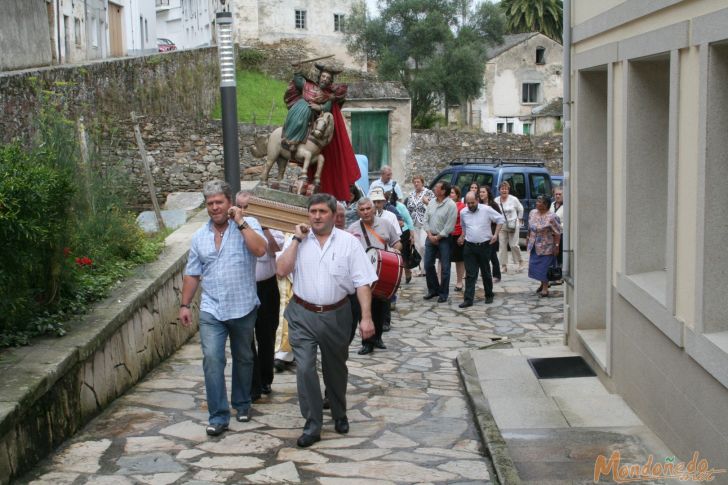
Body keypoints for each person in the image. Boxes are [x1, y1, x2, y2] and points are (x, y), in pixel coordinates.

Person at [276, 193, 377, 448]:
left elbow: (362, 282)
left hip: (337, 314)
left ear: (333, 215)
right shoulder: (296, 239)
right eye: (313, 212)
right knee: (305, 367)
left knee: (335, 368)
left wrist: (366, 318)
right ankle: (312, 424)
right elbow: (281, 270)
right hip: (302, 314)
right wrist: (297, 240)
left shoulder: (348, 243)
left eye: (322, 212)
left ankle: (339, 412)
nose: (317, 216)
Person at [179, 180, 267, 436]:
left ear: (229, 203)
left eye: (219, 202)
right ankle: (218, 415)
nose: (215, 207)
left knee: (244, 358)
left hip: (243, 306)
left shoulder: (249, 226)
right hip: (212, 309)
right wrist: (185, 304)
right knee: (213, 359)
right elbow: (192, 273)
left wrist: (240, 223)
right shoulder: (199, 237)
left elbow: (261, 250)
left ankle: (241, 403)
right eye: (210, 204)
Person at [281, 63, 360, 201]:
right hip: (300, 110)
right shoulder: (308, 86)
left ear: (330, 81)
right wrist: (298, 69)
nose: (324, 79)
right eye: (323, 76)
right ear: (319, 77)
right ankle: (290, 141)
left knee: (314, 124)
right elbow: (299, 80)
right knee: (298, 120)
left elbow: (328, 108)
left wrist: (318, 106)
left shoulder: (327, 95)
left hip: (314, 117)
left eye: (327, 78)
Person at [236, 191, 284, 399]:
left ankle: (265, 379)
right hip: (244, 288)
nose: (245, 211)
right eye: (241, 207)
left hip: (266, 287)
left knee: (266, 335)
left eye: (249, 207)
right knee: (246, 337)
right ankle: (252, 383)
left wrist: (263, 228)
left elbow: (276, 248)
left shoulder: (270, 226)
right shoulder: (234, 229)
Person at [347, 197, 402, 355]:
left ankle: (378, 337)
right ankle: (367, 343)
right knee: (364, 307)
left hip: (382, 272)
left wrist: (396, 250)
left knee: (380, 308)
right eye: (362, 210)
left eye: (368, 209)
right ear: (358, 211)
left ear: (373, 209)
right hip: (361, 274)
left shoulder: (385, 224)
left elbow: (397, 242)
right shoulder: (353, 228)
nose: (365, 212)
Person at [458, 192, 505, 307]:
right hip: (469, 246)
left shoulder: (486, 209)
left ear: (477, 200)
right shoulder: (463, 212)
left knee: (485, 272)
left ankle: (489, 295)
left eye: (472, 203)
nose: (470, 205)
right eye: (468, 203)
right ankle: (468, 299)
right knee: (470, 274)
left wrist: (495, 235)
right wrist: (463, 236)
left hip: (484, 245)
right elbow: (464, 226)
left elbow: (500, 219)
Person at [423, 180, 458, 303]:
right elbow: (425, 219)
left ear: (443, 191)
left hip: (444, 239)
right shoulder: (432, 202)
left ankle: (443, 293)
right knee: (427, 264)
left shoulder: (451, 205)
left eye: (437, 187)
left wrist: (437, 237)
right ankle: (433, 290)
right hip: (430, 236)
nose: (434, 189)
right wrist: (429, 234)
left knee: (445, 268)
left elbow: (449, 226)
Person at [528, 194, 562, 298]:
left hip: (547, 246)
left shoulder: (552, 216)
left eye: (540, 202)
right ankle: (542, 283)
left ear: (546, 204)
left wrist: (557, 246)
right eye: (537, 202)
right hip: (534, 244)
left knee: (545, 267)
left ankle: (545, 288)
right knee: (535, 266)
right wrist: (528, 238)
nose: (537, 204)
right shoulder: (533, 213)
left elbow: (557, 232)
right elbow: (530, 227)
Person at [404, 175, 434, 277]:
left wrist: (427, 202)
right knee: (416, 247)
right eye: (415, 182)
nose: (416, 184)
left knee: (422, 246)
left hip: (425, 223)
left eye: (418, 182)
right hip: (413, 223)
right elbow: (408, 210)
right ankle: (419, 269)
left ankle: (425, 267)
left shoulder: (428, 193)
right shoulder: (411, 195)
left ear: (422, 183)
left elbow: (434, 206)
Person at [497, 181, 525, 273]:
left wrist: (520, 219)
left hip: (513, 224)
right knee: (502, 245)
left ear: (508, 190)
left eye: (506, 188)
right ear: (499, 190)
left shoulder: (514, 199)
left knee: (513, 245)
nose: (504, 190)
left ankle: (520, 262)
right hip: (501, 225)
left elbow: (521, 209)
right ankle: (503, 265)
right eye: (502, 188)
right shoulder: (496, 200)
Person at [479, 186, 503, 283]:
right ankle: (485, 273)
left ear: (488, 193)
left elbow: (499, 219)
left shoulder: (493, 205)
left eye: (483, 192)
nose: (481, 194)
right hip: (482, 233)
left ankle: (496, 275)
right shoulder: (478, 204)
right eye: (480, 192)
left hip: (492, 233)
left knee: (492, 255)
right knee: (483, 255)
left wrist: (496, 234)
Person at [449, 185, 467, 292]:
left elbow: (466, 222)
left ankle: (459, 282)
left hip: (458, 234)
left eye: (452, 193)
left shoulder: (462, 206)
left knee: (459, 260)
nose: (450, 195)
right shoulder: (445, 204)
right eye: (449, 193)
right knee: (443, 259)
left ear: (457, 195)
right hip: (447, 234)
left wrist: (463, 236)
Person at [550, 186, 565, 268]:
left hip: (561, 234)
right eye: (556, 194)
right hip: (551, 234)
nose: (558, 196)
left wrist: (557, 226)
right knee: (551, 254)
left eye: (560, 194)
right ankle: (553, 273)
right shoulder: (552, 204)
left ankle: (560, 273)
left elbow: (567, 222)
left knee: (559, 254)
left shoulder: (566, 206)